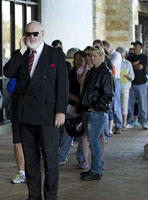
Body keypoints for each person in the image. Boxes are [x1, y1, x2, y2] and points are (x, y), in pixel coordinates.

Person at [3, 21, 68, 200]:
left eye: (35, 34)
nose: (31, 37)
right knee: (30, 161)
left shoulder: (55, 55)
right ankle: (33, 197)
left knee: (50, 161)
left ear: (42, 34)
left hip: (48, 115)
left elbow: (63, 85)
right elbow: (8, 72)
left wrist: (61, 110)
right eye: (28, 34)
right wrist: (21, 50)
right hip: (26, 115)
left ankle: (50, 196)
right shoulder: (22, 55)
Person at [78, 46, 114, 181]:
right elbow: (86, 90)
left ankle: (96, 170)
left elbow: (108, 94)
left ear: (101, 56)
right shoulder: (92, 71)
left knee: (94, 141)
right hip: (88, 109)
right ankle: (94, 168)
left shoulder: (105, 73)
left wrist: (96, 107)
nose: (92, 58)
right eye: (90, 56)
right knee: (92, 140)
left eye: (95, 56)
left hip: (96, 112)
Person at [58, 51, 84, 166]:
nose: (79, 61)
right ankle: (62, 156)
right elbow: (66, 91)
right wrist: (77, 100)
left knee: (83, 134)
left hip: (84, 107)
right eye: (77, 59)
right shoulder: (71, 73)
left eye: (81, 59)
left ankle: (81, 158)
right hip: (71, 105)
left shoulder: (88, 73)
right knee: (67, 132)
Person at [7, 77, 26, 184]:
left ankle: (31, 172)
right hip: (17, 112)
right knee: (17, 143)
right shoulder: (17, 71)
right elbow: (10, 87)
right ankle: (21, 172)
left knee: (31, 144)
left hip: (33, 111)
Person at [126, 41, 148, 129]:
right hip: (131, 83)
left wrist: (133, 65)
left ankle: (144, 121)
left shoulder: (144, 57)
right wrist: (135, 64)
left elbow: (140, 67)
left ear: (140, 47)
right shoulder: (130, 57)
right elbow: (128, 66)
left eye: (136, 45)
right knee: (129, 104)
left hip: (141, 83)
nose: (134, 47)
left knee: (143, 104)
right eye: (134, 45)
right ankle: (130, 121)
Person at [103, 40, 123, 135]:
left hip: (115, 79)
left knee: (116, 103)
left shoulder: (116, 55)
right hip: (108, 79)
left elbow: (111, 65)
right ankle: (111, 125)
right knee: (109, 104)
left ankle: (118, 125)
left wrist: (104, 58)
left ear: (106, 47)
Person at [115, 47, 134, 131]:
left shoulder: (127, 63)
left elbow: (132, 76)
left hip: (125, 87)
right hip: (116, 87)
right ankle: (117, 123)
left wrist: (128, 75)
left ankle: (124, 123)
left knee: (124, 106)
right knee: (116, 106)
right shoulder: (115, 62)